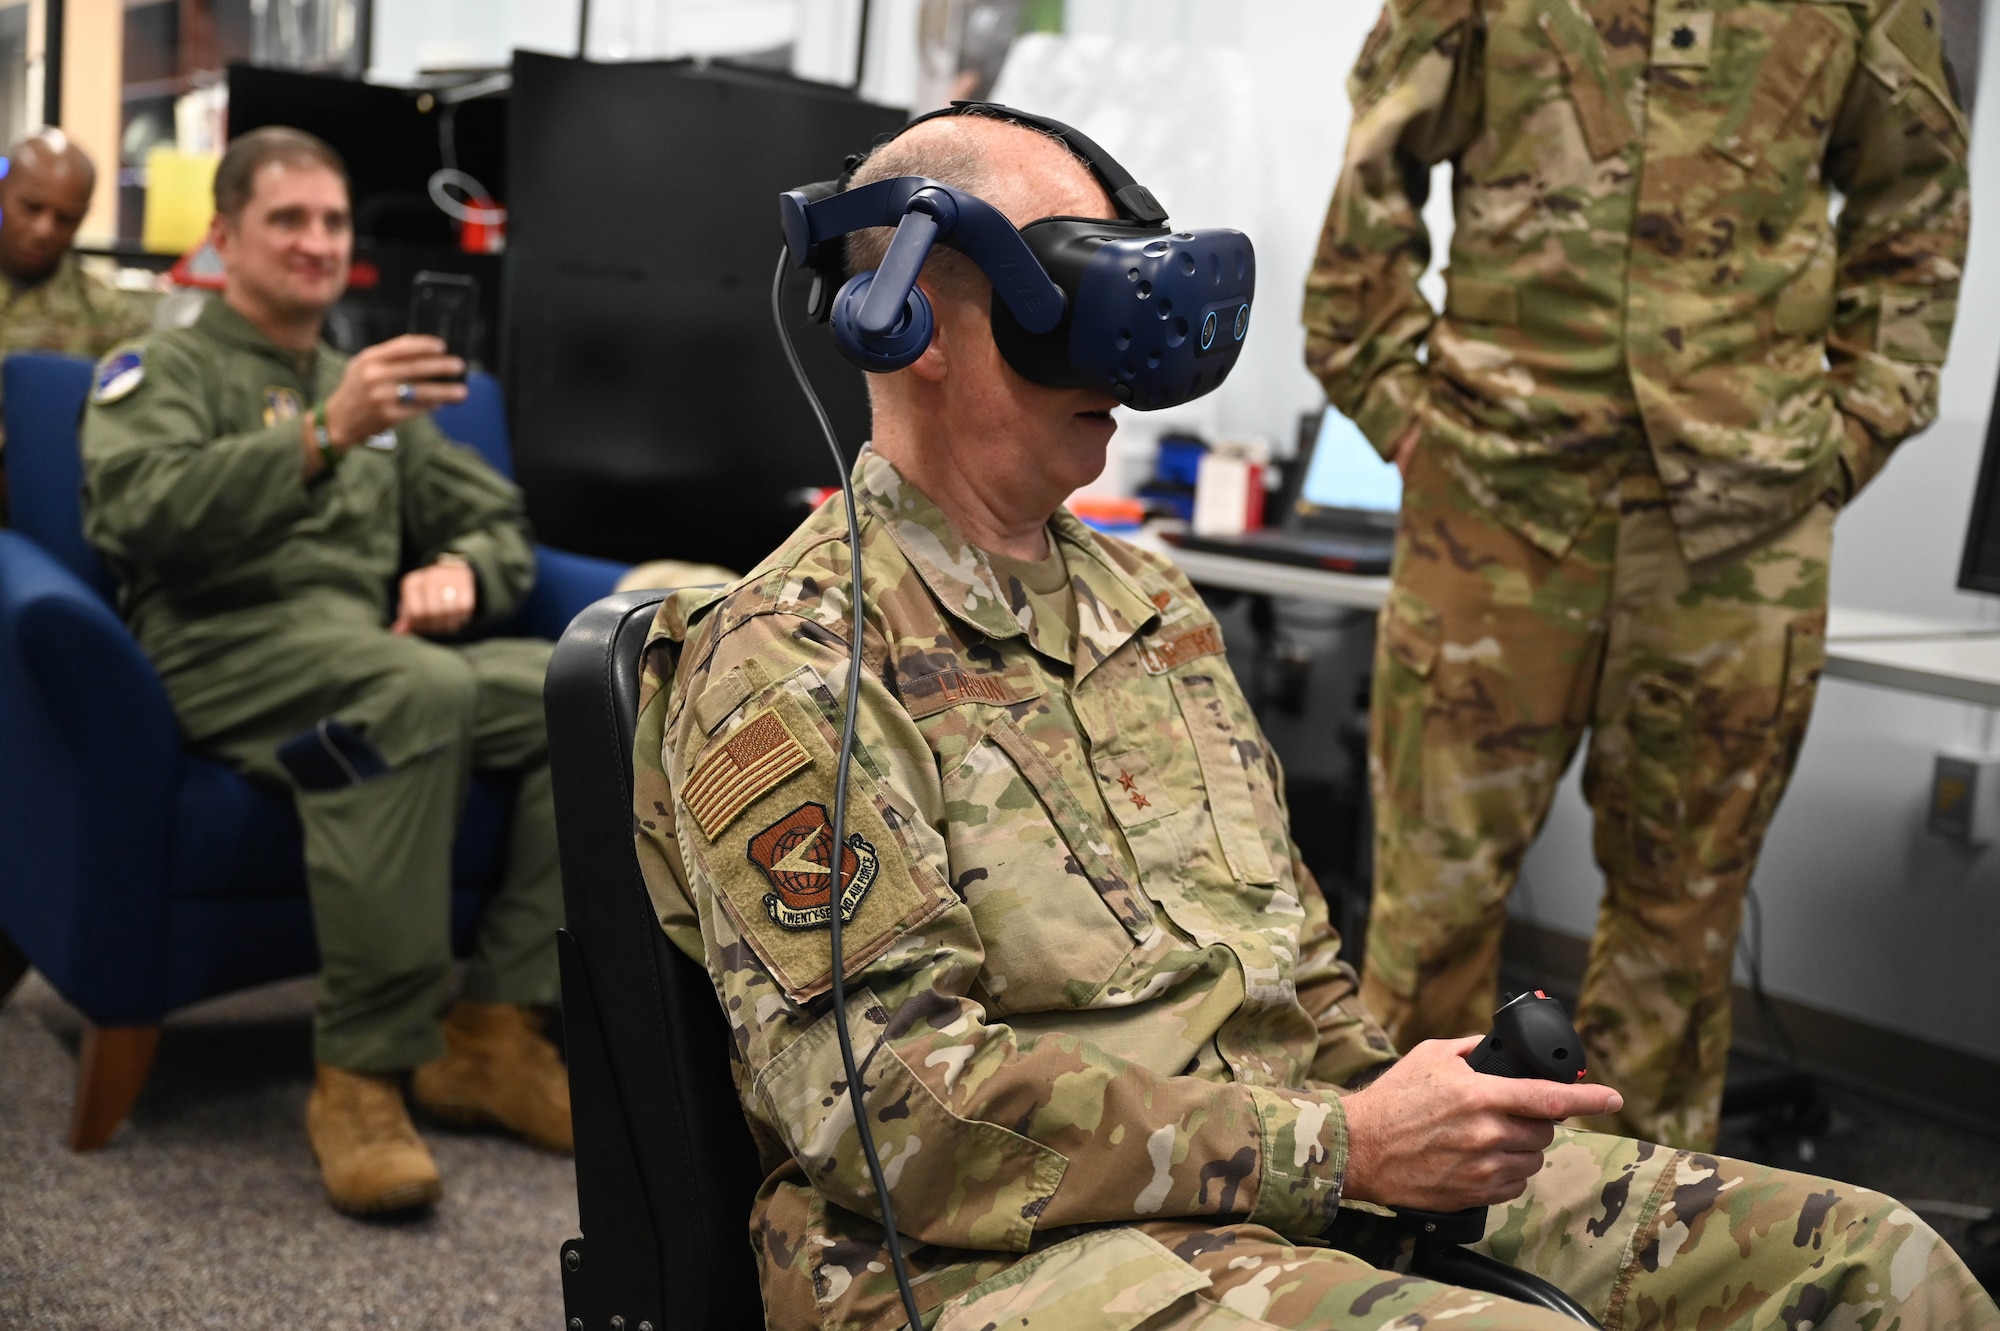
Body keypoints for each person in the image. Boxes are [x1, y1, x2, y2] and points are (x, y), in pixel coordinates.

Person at [632, 110, 1997, 1331]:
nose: (1128, 344)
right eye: (1076, 286)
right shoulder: (791, 660)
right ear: (913, 317)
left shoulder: (1149, 607)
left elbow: (1297, 990)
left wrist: (1431, 1102)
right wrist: (1341, 1144)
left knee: (1878, 1262)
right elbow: (899, 1126)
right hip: (975, 1259)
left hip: (1282, 1176)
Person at [1303, 0, 1970, 1148]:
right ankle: (1399, 1259)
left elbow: (1917, 200)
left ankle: (1634, 1252)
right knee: (1429, 918)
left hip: (1738, 533)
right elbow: (1372, 179)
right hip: (1497, 508)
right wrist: (1407, 418)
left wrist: (1847, 434)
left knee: (1681, 930)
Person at [80, 127, 569, 1216]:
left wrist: (460, 570)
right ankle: (358, 1071)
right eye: (286, 219)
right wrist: (318, 436)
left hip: (356, 645)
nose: (316, 242)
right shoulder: (160, 367)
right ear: (222, 235)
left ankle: (494, 1027)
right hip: (218, 647)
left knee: (577, 697)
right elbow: (134, 513)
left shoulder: (371, 382)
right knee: (415, 688)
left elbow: (494, 523)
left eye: (332, 221)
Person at [0, 129, 154, 517]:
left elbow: (131, 441)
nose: (44, 230)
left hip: (48, 513)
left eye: (65, 219)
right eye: (31, 208)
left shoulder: (112, 319)